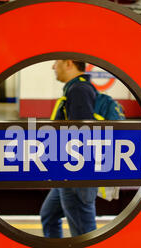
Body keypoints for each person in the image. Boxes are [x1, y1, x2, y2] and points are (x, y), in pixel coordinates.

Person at [40, 60, 99, 238]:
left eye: (56, 62)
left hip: (76, 173)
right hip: (67, 172)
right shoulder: (75, 88)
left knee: (83, 233)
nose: (53, 67)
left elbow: (81, 136)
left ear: (68, 63)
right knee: (49, 216)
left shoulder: (79, 90)